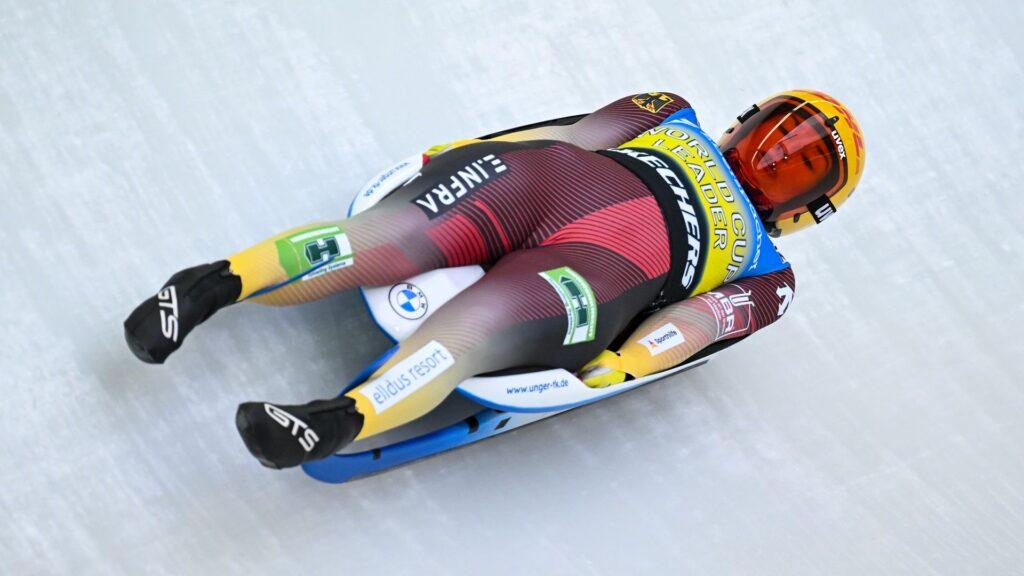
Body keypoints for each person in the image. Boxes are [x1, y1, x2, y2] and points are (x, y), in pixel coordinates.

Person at [124, 90, 865, 469]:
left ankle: (334, 422)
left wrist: (628, 363)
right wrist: (471, 149)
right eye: (776, 135)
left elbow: (697, 325)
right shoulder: (670, 111)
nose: (772, 159)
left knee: (480, 327)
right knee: (390, 239)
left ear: (807, 207)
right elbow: (569, 135)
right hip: (546, 181)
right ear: (746, 121)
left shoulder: (770, 277)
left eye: (798, 167)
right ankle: (207, 287)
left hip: (602, 270)